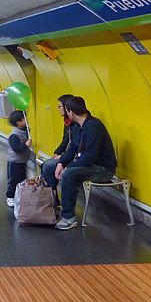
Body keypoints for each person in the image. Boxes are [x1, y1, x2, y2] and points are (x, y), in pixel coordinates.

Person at [53, 96, 117, 230]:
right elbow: (72, 149)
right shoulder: (79, 126)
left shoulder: (93, 126)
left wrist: (68, 167)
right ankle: (54, 205)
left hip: (103, 170)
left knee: (68, 174)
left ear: (71, 112)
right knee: (49, 167)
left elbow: (90, 157)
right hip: (90, 166)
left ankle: (68, 218)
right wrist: (61, 163)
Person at [41, 94, 76, 202]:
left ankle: (54, 199)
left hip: (74, 157)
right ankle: (52, 195)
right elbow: (65, 140)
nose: (58, 109)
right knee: (44, 165)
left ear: (67, 108)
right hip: (69, 155)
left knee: (47, 166)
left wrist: (62, 157)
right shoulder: (67, 122)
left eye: (60, 107)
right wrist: (57, 152)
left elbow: (77, 147)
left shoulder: (77, 124)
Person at [5, 110, 32, 208]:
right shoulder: (14, 135)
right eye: (24, 119)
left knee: (22, 179)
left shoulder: (25, 130)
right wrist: (26, 144)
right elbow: (17, 149)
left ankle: (20, 195)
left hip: (22, 161)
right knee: (13, 180)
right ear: (18, 123)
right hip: (14, 161)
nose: (27, 120)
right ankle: (10, 196)